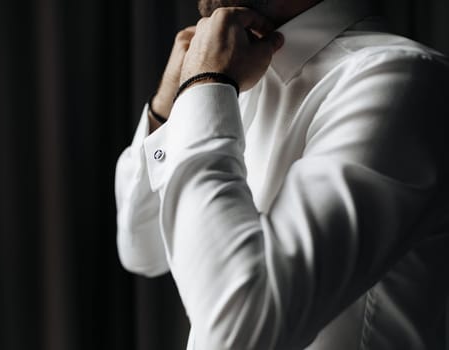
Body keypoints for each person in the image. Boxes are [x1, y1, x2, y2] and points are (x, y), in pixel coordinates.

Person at [115, 0, 449, 348]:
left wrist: (203, 86)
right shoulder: (231, 71)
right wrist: (170, 106)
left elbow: (240, 334)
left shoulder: (401, 79)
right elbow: (141, 248)